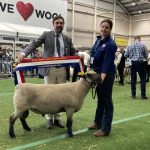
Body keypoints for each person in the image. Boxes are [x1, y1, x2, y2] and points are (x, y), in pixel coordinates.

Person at [18, 16, 75, 129]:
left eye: (61, 23)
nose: (59, 25)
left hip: (63, 70)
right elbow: (34, 44)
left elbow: (73, 52)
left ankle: (58, 118)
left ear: (63, 25)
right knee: (48, 95)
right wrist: (23, 53)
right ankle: (49, 118)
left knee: (61, 96)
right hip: (49, 69)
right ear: (53, 24)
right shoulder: (46, 35)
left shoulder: (67, 38)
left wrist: (80, 56)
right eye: (57, 23)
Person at [88, 19, 117, 137]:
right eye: (102, 27)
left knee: (107, 101)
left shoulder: (111, 44)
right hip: (97, 73)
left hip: (106, 75)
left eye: (107, 27)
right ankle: (97, 122)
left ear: (110, 30)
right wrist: (90, 70)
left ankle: (105, 129)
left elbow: (107, 62)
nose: (104, 29)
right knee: (100, 100)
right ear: (100, 27)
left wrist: (101, 78)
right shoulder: (98, 40)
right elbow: (92, 55)